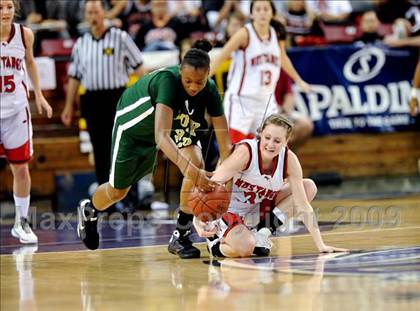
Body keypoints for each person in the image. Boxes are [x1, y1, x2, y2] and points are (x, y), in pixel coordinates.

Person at [76, 40, 231, 257]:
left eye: (200, 82)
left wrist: (225, 179)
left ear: (208, 75)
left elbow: (225, 143)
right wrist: (193, 173)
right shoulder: (168, 82)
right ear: (180, 72)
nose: (194, 87)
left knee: (196, 161)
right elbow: (161, 136)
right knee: (118, 191)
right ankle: (90, 210)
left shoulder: (211, 90)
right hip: (134, 128)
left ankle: (181, 236)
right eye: (188, 81)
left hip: (170, 124)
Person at [193, 114, 348, 258]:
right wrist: (198, 220)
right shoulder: (245, 153)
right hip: (227, 210)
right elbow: (209, 186)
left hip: (254, 209)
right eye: (267, 138)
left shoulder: (289, 160)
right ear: (261, 134)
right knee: (246, 248)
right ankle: (215, 245)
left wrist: (321, 245)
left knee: (308, 187)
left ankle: (262, 232)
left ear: (286, 142)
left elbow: (303, 205)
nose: (270, 144)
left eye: (277, 141)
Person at [61, 0, 144, 196]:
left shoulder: (120, 38)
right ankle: (105, 198)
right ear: (85, 16)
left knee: (123, 147)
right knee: (99, 150)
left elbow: (139, 67)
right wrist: (68, 107)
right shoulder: (81, 43)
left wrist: (148, 96)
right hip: (92, 100)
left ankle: (131, 195)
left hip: (117, 98)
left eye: (96, 12)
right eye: (89, 13)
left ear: (103, 13)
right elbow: (74, 77)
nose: (93, 17)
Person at [210, 0, 312, 145]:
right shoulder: (244, 34)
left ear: (272, 12)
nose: (262, 12)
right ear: (252, 13)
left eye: (266, 9)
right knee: (233, 151)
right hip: (242, 101)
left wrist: (299, 80)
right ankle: (219, 168)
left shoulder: (276, 34)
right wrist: (201, 81)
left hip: (266, 101)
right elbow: (221, 57)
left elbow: (283, 58)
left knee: (270, 147)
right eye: (258, 9)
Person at [0, 0, 53, 243]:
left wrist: (39, 95)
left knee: (20, 168)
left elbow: (30, 62)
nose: (6, 12)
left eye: (9, 6)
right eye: (0, 7)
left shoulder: (24, 34)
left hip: (16, 110)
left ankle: (21, 222)